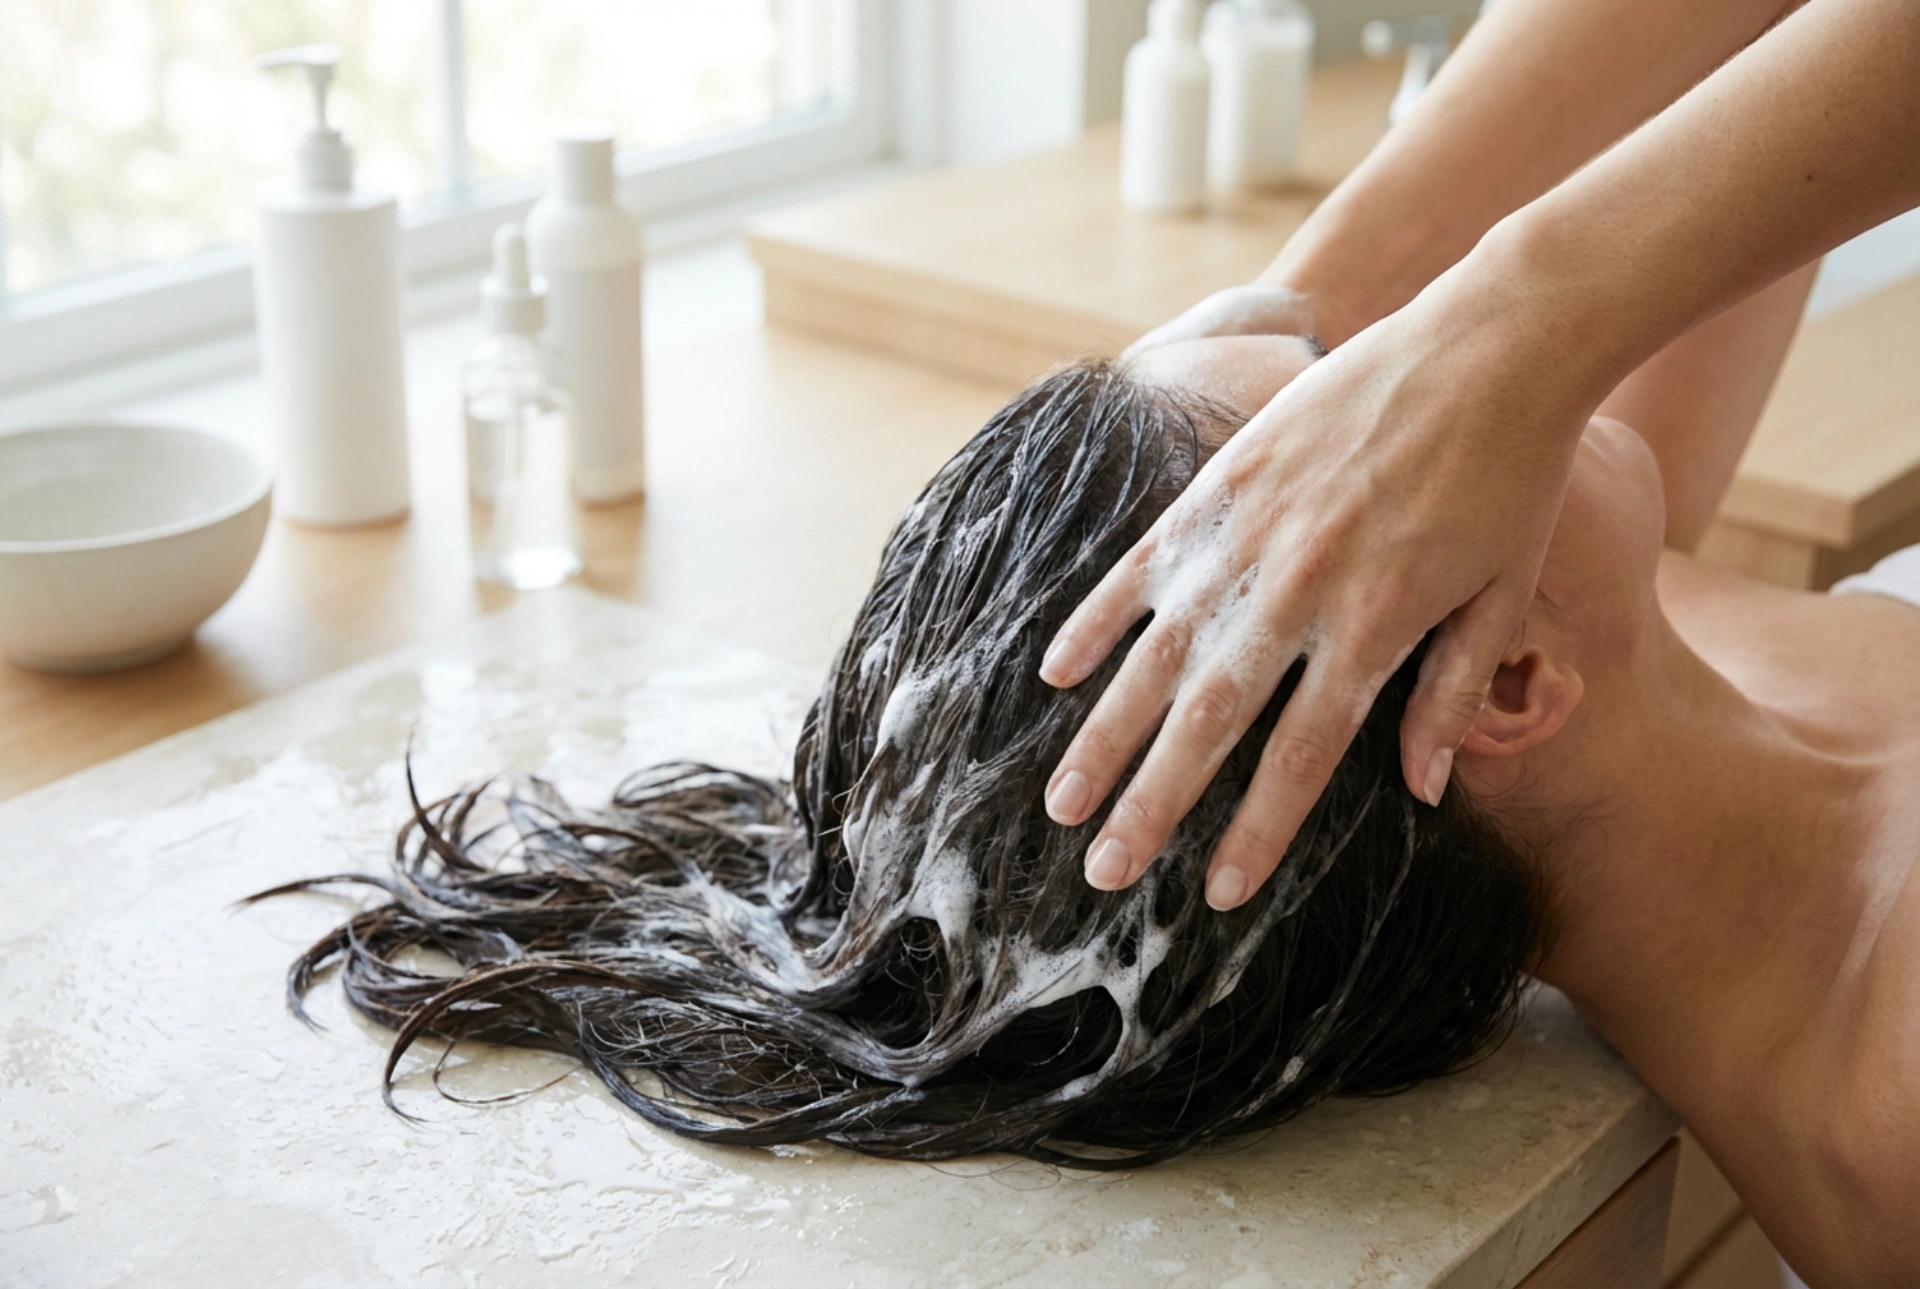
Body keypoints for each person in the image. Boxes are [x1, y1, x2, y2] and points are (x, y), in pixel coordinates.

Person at [269, 332, 1918, 1283]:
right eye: (1358, 385)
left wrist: (1226, 366)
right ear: (1499, 690)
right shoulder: (1890, 1077)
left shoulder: (1634, 647)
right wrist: (1522, 305)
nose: (1414, 349)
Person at [1036, 0, 1920, 933]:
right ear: (1499, 684)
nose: (1394, 368)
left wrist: (1337, 286)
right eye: (1337, 382)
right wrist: (1517, 301)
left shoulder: (1630, 612)